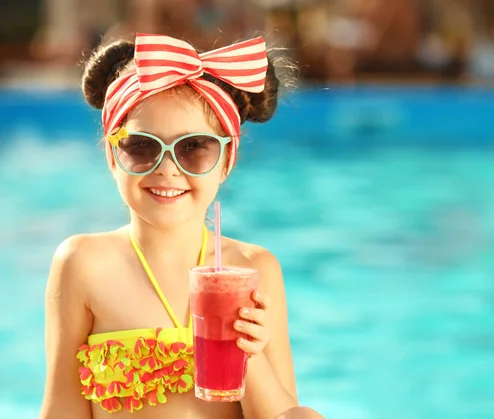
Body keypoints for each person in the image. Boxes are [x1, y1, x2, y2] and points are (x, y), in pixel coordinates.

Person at [40, 32, 323, 419]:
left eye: (194, 147)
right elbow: (61, 409)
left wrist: (249, 356)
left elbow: (281, 414)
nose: (168, 168)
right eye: (142, 146)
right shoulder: (83, 263)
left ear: (226, 161)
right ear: (111, 153)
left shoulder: (254, 269)